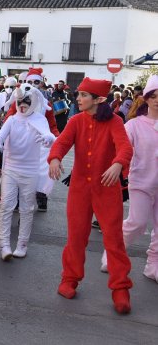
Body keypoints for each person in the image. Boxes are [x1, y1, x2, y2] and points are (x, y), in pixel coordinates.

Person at [48, 77, 133, 314]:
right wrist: (55, 157)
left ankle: (120, 288)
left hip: (107, 189)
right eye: (79, 94)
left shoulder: (115, 122)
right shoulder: (76, 120)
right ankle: (69, 279)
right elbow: (62, 142)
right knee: (76, 237)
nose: (78, 99)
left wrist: (118, 164)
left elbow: (125, 147)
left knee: (114, 240)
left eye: (84, 95)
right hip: (79, 190)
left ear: (99, 99)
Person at [100, 75, 158, 282]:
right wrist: (116, 168)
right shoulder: (134, 125)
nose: (157, 100)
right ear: (146, 98)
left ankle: (153, 266)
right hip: (141, 182)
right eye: (154, 96)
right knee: (137, 223)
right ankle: (111, 253)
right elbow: (120, 149)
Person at [0, 85, 56, 260]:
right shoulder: (12, 120)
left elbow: (49, 135)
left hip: (30, 171)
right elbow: (0, 135)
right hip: (11, 170)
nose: (22, 104)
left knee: (27, 208)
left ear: (34, 101)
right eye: (20, 101)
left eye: (27, 101)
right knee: (6, 206)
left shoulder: (40, 120)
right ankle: (4, 245)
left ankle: (22, 244)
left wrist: (48, 138)